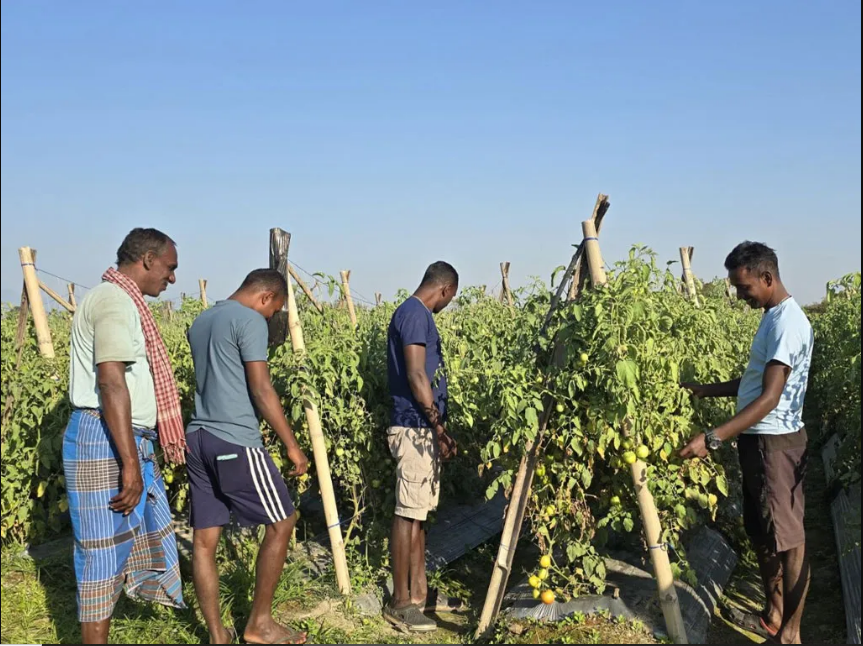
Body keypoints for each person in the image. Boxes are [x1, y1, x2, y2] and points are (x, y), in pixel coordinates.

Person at [680, 242, 813, 645]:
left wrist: (713, 437)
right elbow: (754, 381)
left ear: (767, 278)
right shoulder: (772, 317)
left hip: (776, 444)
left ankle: (790, 634)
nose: (740, 297)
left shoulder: (789, 323)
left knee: (789, 541)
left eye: (744, 288)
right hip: (759, 442)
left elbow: (770, 397)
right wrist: (708, 390)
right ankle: (773, 615)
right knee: (762, 532)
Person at [63, 228, 186, 644]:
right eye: (169, 268)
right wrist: (130, 463)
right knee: (101, 555)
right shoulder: (114, 301)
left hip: (119, 437)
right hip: (107, 439)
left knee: (116, 550)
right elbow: (111, 382)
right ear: (148, 260)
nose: (171, 279)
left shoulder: (121, 302)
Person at [185, 269, 310, 645]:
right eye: (275, 311)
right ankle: (260, 625)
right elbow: (261, 388)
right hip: (233, 440)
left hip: (197, 438)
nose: (272, 318)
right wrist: (291, 444)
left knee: (204, 542)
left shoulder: (202, 319)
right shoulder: (250, 320)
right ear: (266, 298)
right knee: (282, 522)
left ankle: (217, 636)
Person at [383, 261, 461, 633]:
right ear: (444, 290)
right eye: (451, 299)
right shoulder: (415, 315)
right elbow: (416, 374)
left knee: (418, 513)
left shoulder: (416, 314)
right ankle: (400, 603)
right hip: (413, 427)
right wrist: (438, 427)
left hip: (421, 429)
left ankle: (418, 594)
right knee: (406, 512)